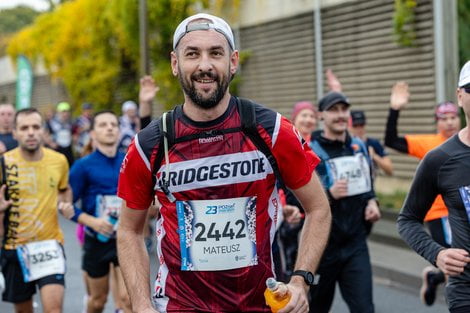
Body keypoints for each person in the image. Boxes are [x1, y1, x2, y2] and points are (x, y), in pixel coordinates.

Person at [117, 13, 331, 313]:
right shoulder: (150, 143)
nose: (204, 65)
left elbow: (319, 208)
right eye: (192, 54)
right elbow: (128, 230)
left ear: (233, 61)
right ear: (175, 64)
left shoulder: (271, 130)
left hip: (260, 303)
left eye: (215, 53)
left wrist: (300, 281)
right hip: (181, 305)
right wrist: (141, 306)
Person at [397, 60, 470, 313]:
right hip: (466, 292)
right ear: (460, 97)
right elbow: (407, 219)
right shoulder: (439, 158)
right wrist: (437, 254)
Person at [384, 81, 461, 305]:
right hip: (439, 214)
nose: (449, 122)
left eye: (452, 117)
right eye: (443, 118)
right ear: (437, 123)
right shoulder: (430, 144)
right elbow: (392, 141)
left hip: (463, 211)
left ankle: (434, 276)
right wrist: (395, 110)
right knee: (457, 264)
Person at [309, 91, 381, 313]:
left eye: (343, 110)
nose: (340, 115)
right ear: (321, 115)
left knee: (365, 309)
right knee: (315, 309)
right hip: (322, 248)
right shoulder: (310, 151)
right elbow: (296, 197)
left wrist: (372, 202)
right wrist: (329, 193)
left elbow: (367, 185)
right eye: (333, 110)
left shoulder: (358, 146)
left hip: (355, 244)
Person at [0, 108, 72, 313]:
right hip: (15, 247)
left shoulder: (58, 161)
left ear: (43, 131)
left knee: (54, 310)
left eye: (35, 127)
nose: (30, 132)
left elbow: (64, 190)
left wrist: (65, 204)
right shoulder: (4, 163)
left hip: (49, 246)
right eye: (24, 128)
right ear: (14, 133)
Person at [66, 111, 130, 313]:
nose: (110, 128)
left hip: (126, 238)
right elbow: (65, 206)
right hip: (97, 239)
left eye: (113, 124)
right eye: (103, 125)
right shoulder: (82, 166)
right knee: (98, 301)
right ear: (93, 133)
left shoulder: (130, 161)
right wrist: (92, 222)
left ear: (119, 131)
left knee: (128, 299)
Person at [279, 101, 318, 277]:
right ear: (295, 119)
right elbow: (277, 181)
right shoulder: (284, 144)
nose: (308, 120)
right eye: (304, 115)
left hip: (314, 213)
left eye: (312, 116)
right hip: (291, 215)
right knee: (292, 263)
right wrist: (283, 207)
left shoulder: (319, 145)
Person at [350, 110, 393, 176]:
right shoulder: (346, 145)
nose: (359, 129)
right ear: (349, 126)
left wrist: (375, 156)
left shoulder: (374, 144)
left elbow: (390, 170)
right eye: (355, 126)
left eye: (361, 125)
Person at [46, 101, 75, 166]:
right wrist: (50, 143)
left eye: (67, 111)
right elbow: (44, 133)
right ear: (58, 112)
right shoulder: (52, 122)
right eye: (63, 112)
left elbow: (73, 133)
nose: (65, 114)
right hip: (57, 149)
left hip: (68, 148)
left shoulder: (70, 122)